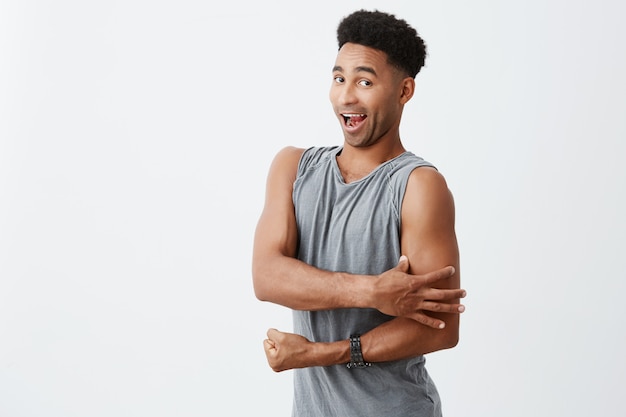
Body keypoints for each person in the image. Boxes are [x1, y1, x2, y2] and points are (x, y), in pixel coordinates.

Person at [252, 9, 466, 417]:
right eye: (339, 79)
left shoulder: (419, 187)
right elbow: (266, 276)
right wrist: (372, 292)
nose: (346, 96)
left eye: (365, 82)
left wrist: (318, 354)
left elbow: (439, 329)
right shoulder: (293, 169)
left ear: (404, 91)